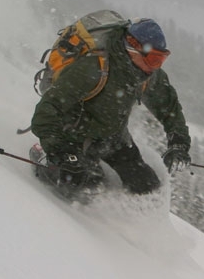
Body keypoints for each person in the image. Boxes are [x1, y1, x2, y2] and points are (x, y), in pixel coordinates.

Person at [30, 16, 191, 197]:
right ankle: (44, 156)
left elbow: (169, 108)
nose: (155, 66)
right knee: (81, 184)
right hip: (72, 136)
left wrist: (179, 144)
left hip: (113, 138)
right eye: (153, 59)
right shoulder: (93, 67)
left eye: (161, 59)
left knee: (147, 187)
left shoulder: (147, 74)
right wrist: (60, 150)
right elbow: (46, 110)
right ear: (133, 47)